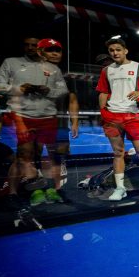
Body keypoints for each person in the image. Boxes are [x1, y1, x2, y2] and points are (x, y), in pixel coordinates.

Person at [0, 36, 69, 209]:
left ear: (40, 48)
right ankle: (13, 194)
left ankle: (51, 190)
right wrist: (18, 89)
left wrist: (48, 90)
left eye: (34, 45)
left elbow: (63, 91)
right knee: (23, 156)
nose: (30, 48)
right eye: (27, 45)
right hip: (23, 116)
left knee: (47, 157)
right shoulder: (11, 63)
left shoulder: (53, 68)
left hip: (48, 118)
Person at [96, 38, 139, 200]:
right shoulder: (106, 71)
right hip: (112, 116)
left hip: (134, 116)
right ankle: (120, 188)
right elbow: (103, 92)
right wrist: (103, 112)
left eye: (118, 49)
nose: (115, 53)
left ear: (125, 51)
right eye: (111, 50)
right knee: (118, 153)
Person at [38, 38, 79, 203]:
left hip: (59, 125)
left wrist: (74, 122)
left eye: (58, 50)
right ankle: (36, 190)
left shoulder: (67, 77)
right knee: (32, 156)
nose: (55, 53)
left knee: (57, 158)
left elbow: (72, 100)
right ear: (41, 52)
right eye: (50, 50)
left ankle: (57, 190)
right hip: (36, 122)